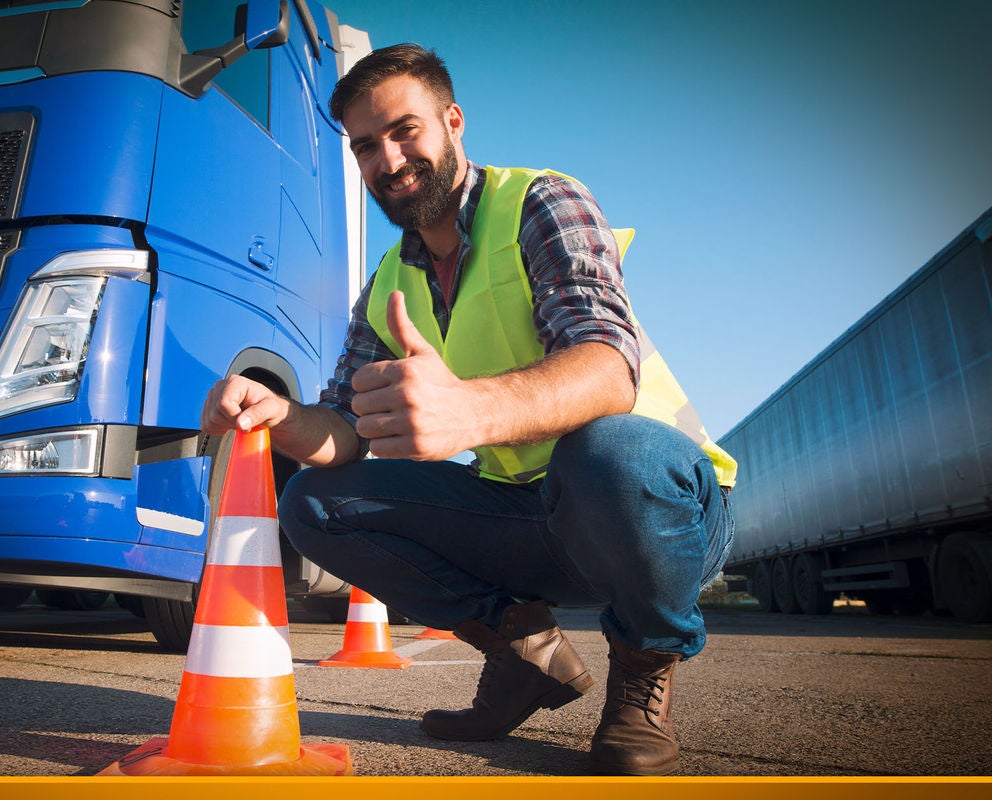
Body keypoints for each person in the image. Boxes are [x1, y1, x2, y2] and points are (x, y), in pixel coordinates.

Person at [200, 43, 736, 776]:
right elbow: (344, 430)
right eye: (364, 147)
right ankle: (521, 654)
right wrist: (281, 415)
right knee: (314, 502)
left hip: (656, 512)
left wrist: (470, 414)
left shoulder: (542, 202)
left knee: (611, 451)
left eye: (404, 131)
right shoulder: (390, 280)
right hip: (534, 518)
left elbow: (609, 366)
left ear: (453, 122)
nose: (387, 161)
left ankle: (644, 668)